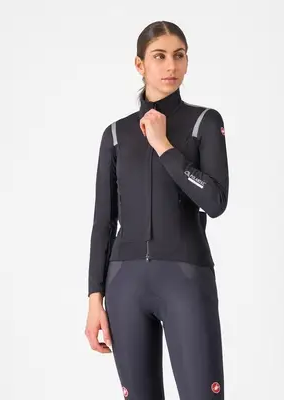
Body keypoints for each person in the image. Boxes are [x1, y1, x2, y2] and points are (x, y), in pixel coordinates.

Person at [85, 20, 229, 399]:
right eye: (159, 56)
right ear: (140, 64)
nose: (171, 66)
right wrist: (95, 298)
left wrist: (164, 146)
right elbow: (104, 222)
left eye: (179, 56)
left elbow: (215, 201)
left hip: (186, 280)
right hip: (125, 285)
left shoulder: (204, 122)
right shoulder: (115, 134)